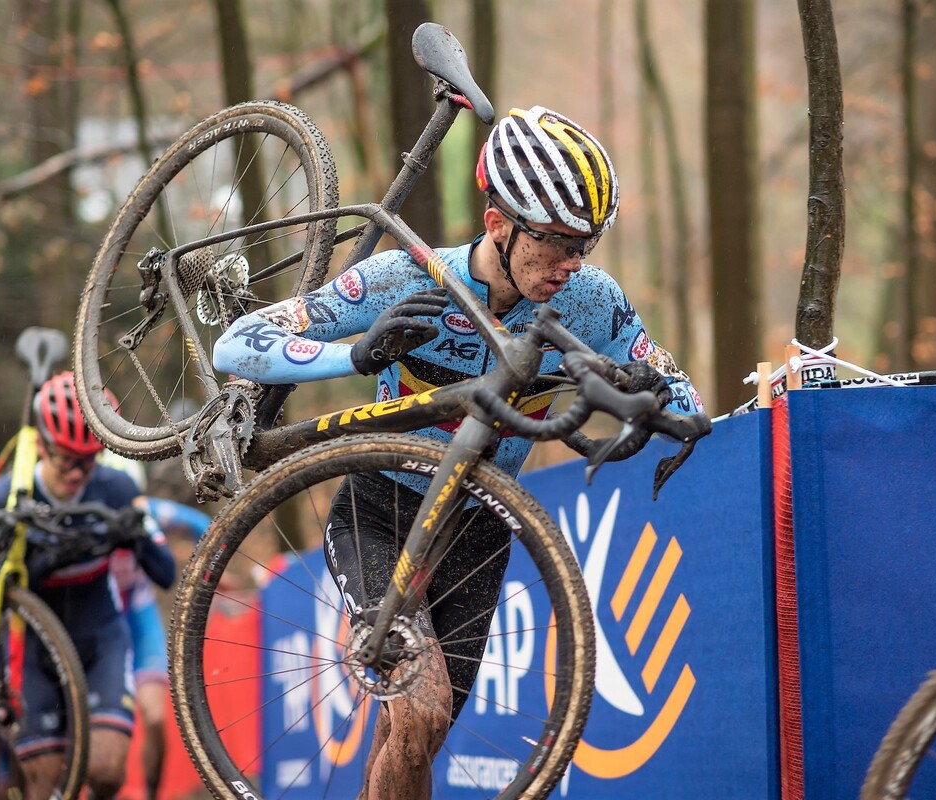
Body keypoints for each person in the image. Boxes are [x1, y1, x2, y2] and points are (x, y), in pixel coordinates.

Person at [212, 105, 705, 799]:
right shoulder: (403, 277)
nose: (570, 263)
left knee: (414, 742)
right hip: (380, 511)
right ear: (498, 221)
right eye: (556, 242)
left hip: (477, 529)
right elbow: (236, 344)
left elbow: (681, 394)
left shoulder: (593, 302)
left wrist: (659, 398)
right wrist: (352, 353)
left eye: (584, 245)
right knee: (421, 710)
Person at [0, 371, 175, 800]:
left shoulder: (117, 488)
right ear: (43, 444)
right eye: (67, 458)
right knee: (45, 781)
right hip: (33, 645)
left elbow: (166, 573)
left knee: (106, 770)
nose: (77, 472)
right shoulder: (3, 497)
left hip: (100, 636)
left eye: (89, 460)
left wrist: (136, 534)